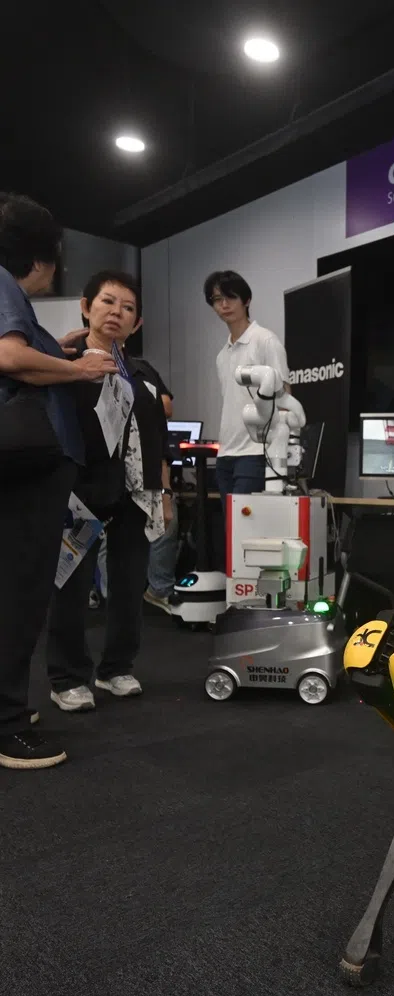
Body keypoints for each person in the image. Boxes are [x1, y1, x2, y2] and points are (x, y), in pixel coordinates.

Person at [0, 193, 117, 768]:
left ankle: (7, 707)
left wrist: (57, 350)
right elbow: (10, 358)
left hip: (34, 472)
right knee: (20, 596)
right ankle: (7, 725)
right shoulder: (4, 284)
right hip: (30, 472)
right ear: (41, 257)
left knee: (18, 591)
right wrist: (75, 367)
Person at [45, 270, 172, 712]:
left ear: (137, 323)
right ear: (86, 307)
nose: (117, 312)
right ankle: (66, 677)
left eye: (128, 307)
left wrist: (164, 492)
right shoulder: (63, 361)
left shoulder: (143, 372)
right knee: (72, 586)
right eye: (107, 302)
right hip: (80, 492)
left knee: (129, 583)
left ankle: (116, 667)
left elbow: (158, 435)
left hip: (135, 493)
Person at [205, 270, 288, 496]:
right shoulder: (222, 355)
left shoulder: (265, 340)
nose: (224, 304)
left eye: (231, 297)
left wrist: (278, 448)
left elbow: (284, 398)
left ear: (246, 300)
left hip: (256, 451)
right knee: (228, 520)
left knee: (246, 519)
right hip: (225, 453)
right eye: (217, 299)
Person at [144, 374, 179, 613]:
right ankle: (112, 594)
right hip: (105, 469)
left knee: (165, 526)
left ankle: (159, 589)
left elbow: (166, 407)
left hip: (150, 466)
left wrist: (166, 492)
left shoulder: (143, 370)